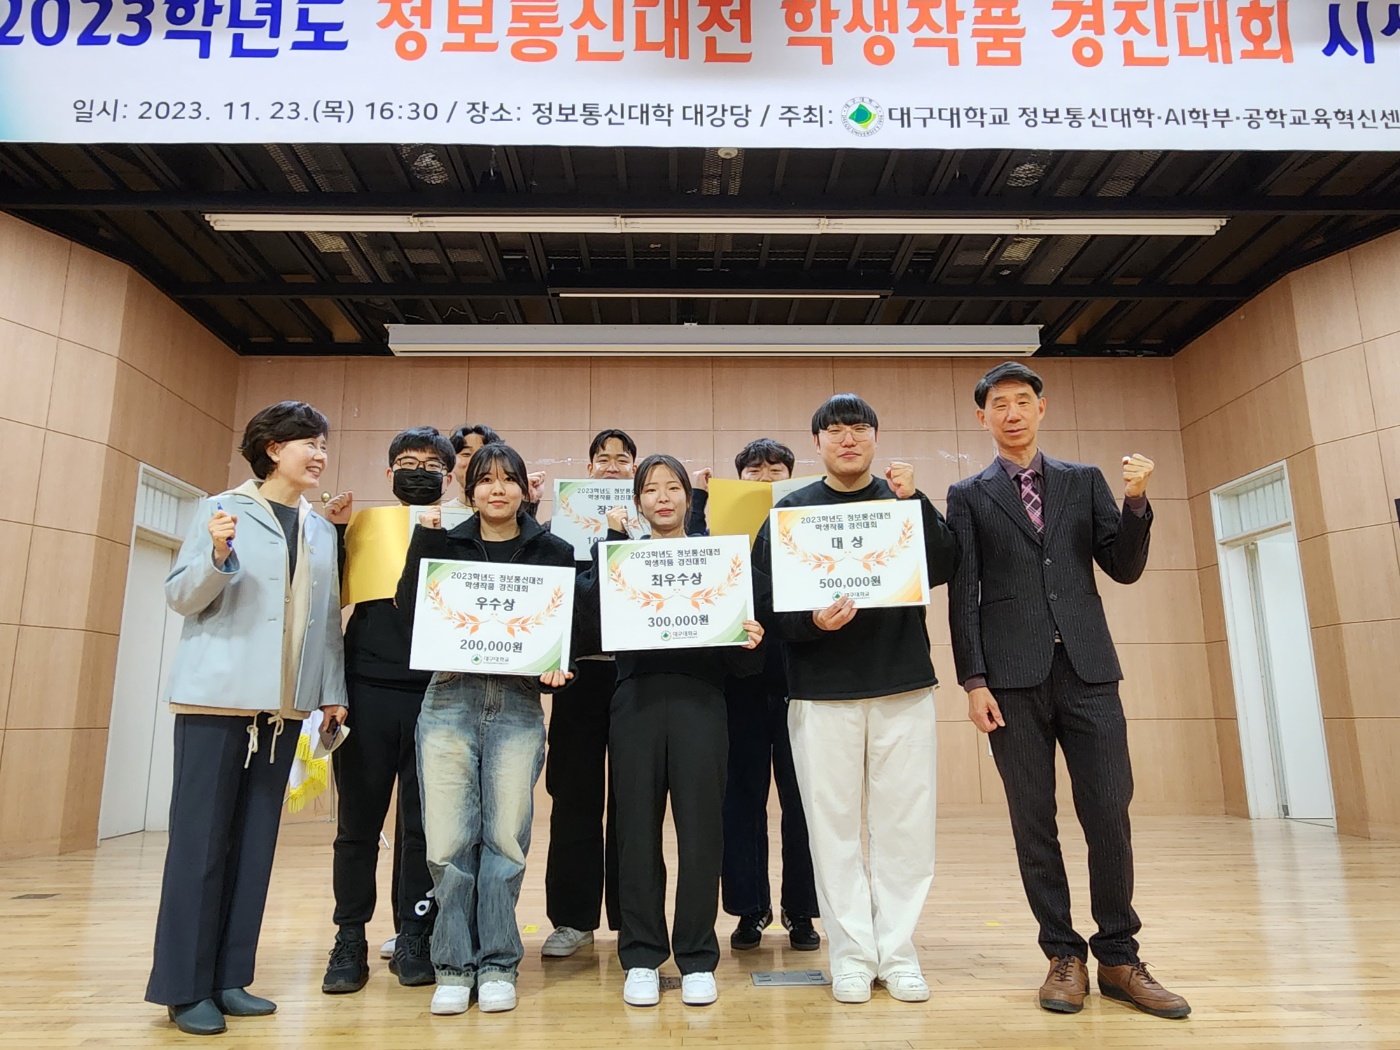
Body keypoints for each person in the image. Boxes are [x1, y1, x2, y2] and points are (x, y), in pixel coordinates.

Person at [945, 362, 1190, 1020]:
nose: (1012, 413)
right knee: (1034, 823)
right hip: (1010, 681)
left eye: (1023, 401)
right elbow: (963, 594)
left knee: (1108, 812)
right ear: (983, 417)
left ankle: (1119, 956)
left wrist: (1136, 502)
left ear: (1042, 408)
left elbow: (1123, 566)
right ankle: (1062, 954)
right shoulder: (968, 495)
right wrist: (973, 681)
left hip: (1088, 672)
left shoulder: (1084, 481)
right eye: (1000, 404)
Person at [145, 401, 348, 1036]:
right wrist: (216, 554)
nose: (319, 454)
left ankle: (231, 977)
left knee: (255, 846)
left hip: (284, 708)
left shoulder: (319, 529)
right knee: (199, 845)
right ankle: (184, 988)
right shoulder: (220, 509)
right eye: (307, 443)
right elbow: (180, 596)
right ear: (271, 449)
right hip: (217, 700)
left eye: (322, 444)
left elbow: (326, 620)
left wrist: (332, 693)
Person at [752, 394, 959, 1005]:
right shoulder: (792, 512)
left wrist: (916, 502)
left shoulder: (901, 503)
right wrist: (813, 621)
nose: (848, 439)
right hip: (821, 694)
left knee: (905, 829)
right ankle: (850, 956)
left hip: (903, 686)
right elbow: (764, 604)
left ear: (875, 438)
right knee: (832, 830)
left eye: (859, 428)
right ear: (816, 443)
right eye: (835, 430)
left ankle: (897, 953)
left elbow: (947, 564)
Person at [395, 443, 578, 1015]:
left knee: (505, 840)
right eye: (485, 480)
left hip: (518, 703)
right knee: (447, 840)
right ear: (469, 489)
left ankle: (498, 963)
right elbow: (410, 612)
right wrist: (425, 537)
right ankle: (453, 965)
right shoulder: (444, 543)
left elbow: (565, 631)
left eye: (508, 479)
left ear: (524, 488)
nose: (498, 490)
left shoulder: (553, 550)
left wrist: (559, 669)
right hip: (449, 697)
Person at [577, 454, 765, 1007]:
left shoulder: (716, 559)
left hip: (701, 702)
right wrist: (610, 547)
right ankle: (641, 955)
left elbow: (744, 663)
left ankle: (698, 956)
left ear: (688, 497)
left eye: (673, 488)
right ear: (637, 502)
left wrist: (749, 639)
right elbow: (587, 622)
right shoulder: (622, 558)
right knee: (635, 831)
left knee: (702, 831)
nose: (663, 497)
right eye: (651, 489)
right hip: (634, 700)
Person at [319, 427, 457, 994]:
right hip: (366, 693)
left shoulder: (461, 530)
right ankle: (349, 938)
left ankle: (414, 936)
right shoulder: (359, 528)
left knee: (424, 829)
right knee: (357, 826)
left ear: (449, 477)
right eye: (407, 463)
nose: (419, 472)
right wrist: (334, 531)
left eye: (431, 465)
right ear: (388, 473)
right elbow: (324, 601)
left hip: (436, 694)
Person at [689, 440, 821, 952]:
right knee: (740, 799)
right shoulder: (722, 525)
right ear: (738, 477)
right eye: (754, 470)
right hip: (738, 680)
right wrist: (701, 501)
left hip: (800, 676)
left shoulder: (808, 517)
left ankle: (802, 910)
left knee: (802, 800)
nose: (765, 478)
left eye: (776, 470)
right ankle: (750, 909)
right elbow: (692, 556)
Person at [540, 428, 638, 957]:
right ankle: (572, 920)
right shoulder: (560, 531)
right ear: (588, 468)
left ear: (635, 470)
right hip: (578, 679)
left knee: (633, 801)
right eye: (603, 459)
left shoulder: (652, 526)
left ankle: (631, 920)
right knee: (574, 799)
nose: (612, 467)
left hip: (635, 679)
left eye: (622, 460)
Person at [445, 423, 545, 517]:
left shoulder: (508, 511)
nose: (475, 461)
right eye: (466, 454)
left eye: (483, 454)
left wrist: (528, 500)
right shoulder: (443, 514)